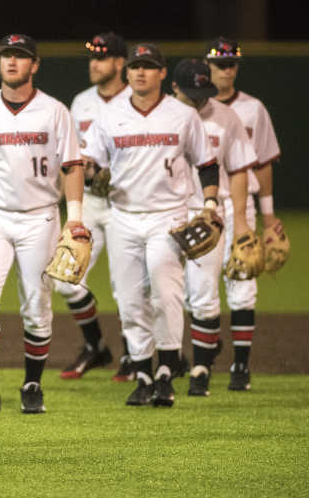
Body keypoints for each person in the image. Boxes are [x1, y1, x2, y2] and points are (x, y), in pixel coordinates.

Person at [0, 34, 85, 415]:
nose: (12, 62)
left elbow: (72, 165)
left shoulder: (55, 111)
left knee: (37, 304)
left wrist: (74, 219)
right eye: (6, 56)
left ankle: (32, 385)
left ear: (35, 64)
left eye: (20, 56)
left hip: (41, 217)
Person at [82, 43, 218, 408]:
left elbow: (206, 163)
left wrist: (210, 203)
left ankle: (166, 372)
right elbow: (89, 161)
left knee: (166, 294)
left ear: (162, 73)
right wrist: (90, 172)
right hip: (122, 218)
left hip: (168, 217)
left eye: (149, 66)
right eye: (135, 66)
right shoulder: (109, 115)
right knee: (129, 299)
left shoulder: (182, 114)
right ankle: (143, 374)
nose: (140, 72)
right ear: (127, 72)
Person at [169, 59, 256, 396]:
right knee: (170, 293)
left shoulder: (224, 116)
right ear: (174, 88)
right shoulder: (163, 117)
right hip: (168, 212)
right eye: (191, 93)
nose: (199, 99)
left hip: (210, 213)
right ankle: (167, 361)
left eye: (203, 92)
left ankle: (201, 370)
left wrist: (243, 221)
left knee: (205, 294)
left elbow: (238, 169)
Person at [206, 37, 281, 391]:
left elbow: (264, 162)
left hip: (242, 207)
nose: (226, 69)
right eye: (220, 63)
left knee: (242, 282)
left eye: (232, 63)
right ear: (208, 66)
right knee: (198, 289)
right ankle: (203, 354)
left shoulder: (253, 108)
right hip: (200, 207)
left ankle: (240, 365)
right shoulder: (194, 107)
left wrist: (268, 217)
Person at [57, 32, 132, 381]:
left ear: (120, 63)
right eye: (91, 57)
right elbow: (71, 156)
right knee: (66, 279)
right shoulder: (81, 101)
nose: (94, 64)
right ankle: (96, 347)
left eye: (101, 58)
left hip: (124, 203)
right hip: (88, 201)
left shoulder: (139, 98)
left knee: (128, 285)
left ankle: (137, 353)